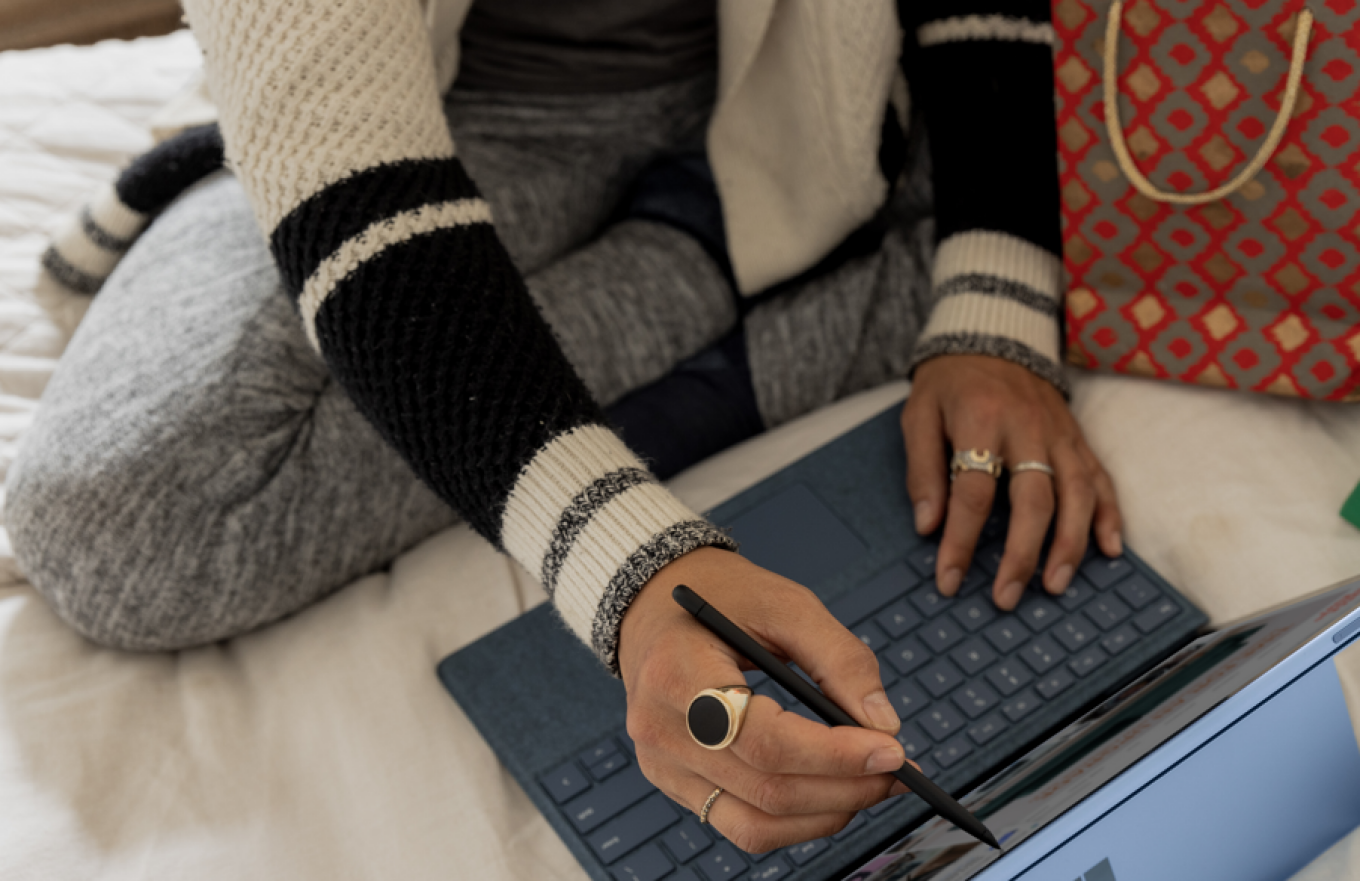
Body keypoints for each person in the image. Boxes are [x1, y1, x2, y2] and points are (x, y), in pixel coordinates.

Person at [10, 0, 1122, 855]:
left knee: (1115, 208)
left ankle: (727, 244)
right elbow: (352, 184)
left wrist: (994, 309)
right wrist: (636, 574)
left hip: (821, 90)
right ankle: (704, 250)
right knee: (119, 529)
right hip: (441, 109)